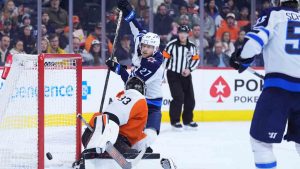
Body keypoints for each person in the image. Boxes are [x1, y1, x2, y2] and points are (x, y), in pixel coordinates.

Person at [230, 0, 300, 168]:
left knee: (260, 143)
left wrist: (242, 58)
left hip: (278, 90)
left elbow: (255, 42)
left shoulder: (274, 14)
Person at [106, 0, 165, 152]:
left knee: (150, 135)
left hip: (151, 104)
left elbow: (132, 82)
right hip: (137, 99)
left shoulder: (154, 63)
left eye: (149, 47)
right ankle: (113, 136)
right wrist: (128, 11)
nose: (145, 49)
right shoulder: (142, 42)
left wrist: (118, 68)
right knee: (125, 124)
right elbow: (136, 28)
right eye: (144, 46)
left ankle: (134, 146)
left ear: (156, 48)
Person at [163, 25, 200, 130]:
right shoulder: (171, 45)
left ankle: (188, 121)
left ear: (188, 34)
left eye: (185, 33)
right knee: (178, 97)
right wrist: (161, 75)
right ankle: (175, 121)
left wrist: (189, 69)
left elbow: (196, 59)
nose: (182, 35)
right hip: (173, 74)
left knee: (190, 99)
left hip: (186, 76)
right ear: (178, 33)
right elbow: (164, 60)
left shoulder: (192, 46)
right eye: (180, 33)